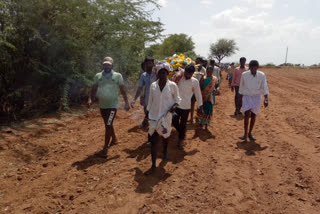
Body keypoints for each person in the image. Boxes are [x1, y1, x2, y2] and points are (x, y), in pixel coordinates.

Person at [88, 57, 130, 158]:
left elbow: (123, 89)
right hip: (102, 105)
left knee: (108, 124)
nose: (107, 66)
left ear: (112, 65)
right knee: (108, 124)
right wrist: (90, 99)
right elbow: (93, 88)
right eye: (105, 64)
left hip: (113, 105)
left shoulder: (117, 76)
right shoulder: (98, 76)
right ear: (103, 65)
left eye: (109, 64)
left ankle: (105, 148)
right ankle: (114, 139)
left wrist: (126, 102)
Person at [145, 61, 181, 175]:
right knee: (154, 141)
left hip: (166, 117)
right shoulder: (153, 86)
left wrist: (173, 107)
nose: (162, 74)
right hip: (154, 117)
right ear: (157, 73)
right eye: (160, 72)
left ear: (167, 73)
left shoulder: (173, 86)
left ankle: (165, 152)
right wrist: (147, 115)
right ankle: (153, 165)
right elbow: (150, 101)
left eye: (164, 72)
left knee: (165, 137)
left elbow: (178, 100)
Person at [172, 64, 203, 150]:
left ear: (192, 73)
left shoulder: (195, 81)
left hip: (186, 106)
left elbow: (198, 94)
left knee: (183, 124)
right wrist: (180, 72)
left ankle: (181, 141)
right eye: (186, 73)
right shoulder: (179, 78)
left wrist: (200, 106)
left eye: (190, 74)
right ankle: (181, 133)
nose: (187, 75)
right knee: (174, 121)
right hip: (176, 105)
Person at [239, 60, 269, 141]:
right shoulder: (244, 75)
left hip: (256, 97)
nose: (252, 70)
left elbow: (265, 86)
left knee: (253, 115)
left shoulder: (261, 75)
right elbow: (241, 86)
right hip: (247, 96)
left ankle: (250, 133)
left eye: (254, 68)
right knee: (246, 114)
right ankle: (245, 133)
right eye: (251, 68)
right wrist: (240, 97)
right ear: (249, 67)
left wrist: (266, 99)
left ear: (257, 68)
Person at [131, 57, 157, 131]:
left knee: (152, 114)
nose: (149, 64)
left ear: (153, 63)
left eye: (150, 62)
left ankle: (149, 125)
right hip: (147, 98)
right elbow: (140, 88)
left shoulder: (157, 74)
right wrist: (134, 99)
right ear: (145, 64)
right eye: (147, 63)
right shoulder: (143, 75)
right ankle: (147, 124)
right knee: (147, 112)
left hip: (157, 98)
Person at [197, 66, 219, 130]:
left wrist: (216, 89)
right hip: (203, 97)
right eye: (207, 71)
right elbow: (200, 87)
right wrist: (201, 79)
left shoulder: (215, 79)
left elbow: (217, 85)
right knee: (202, 109)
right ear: (206, 71)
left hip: (210, 97)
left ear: (212, 71)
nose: (209, 72)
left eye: (210, 71)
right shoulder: (203, 78)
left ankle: (207, 124)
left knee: (209, 110)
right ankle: (201, 122)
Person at [189, 57, 207, 124]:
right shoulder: (193, 69)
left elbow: (205, 78)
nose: (197, 63)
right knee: (192, 104)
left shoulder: (204, 70)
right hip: (193, 89)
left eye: (199, 62)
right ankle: (191, 118)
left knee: (200, 104)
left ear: (202, 63)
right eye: (196, 62)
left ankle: (198, 117)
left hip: (201, 89)